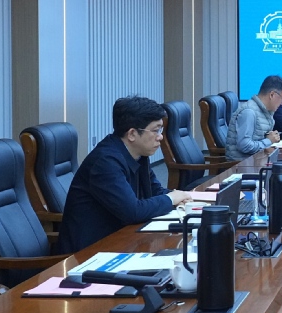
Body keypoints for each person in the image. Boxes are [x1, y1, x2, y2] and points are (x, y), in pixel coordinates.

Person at [57, 96, 192, 254]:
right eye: (156, 130)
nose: (160, 136)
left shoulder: (139, 154)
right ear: (132, 134)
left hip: (120, 239)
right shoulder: (105, 162)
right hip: (89, 253)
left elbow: (154, 191)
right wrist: (170, 199)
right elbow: (133, 212)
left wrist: (180, 198)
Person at [225, 75, 282, 161]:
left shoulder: (265, 111)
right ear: (272, 95)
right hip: (243, 164)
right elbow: (244, 146)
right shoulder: (249, 112)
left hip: (257, 160)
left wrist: (270, 138)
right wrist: (268, 141)